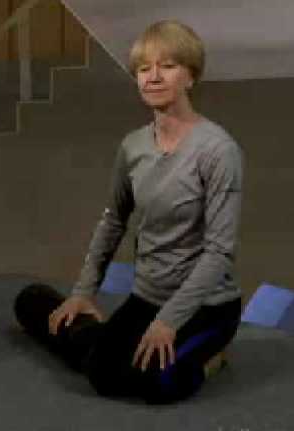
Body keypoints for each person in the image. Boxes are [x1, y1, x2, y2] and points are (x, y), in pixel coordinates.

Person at [14, 20, 244, 403]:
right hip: (146, 297)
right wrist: (84, 291)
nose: (153, 77)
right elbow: (114, 220)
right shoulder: (133, 146)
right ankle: (42, 307)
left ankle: (212, 358)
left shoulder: (219, 151)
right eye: (143, 68)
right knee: (102, 375)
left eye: (167, 66)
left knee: (158, 384)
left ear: (191, 76)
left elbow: (219, 251)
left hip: (207, 306)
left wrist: (168, 321)